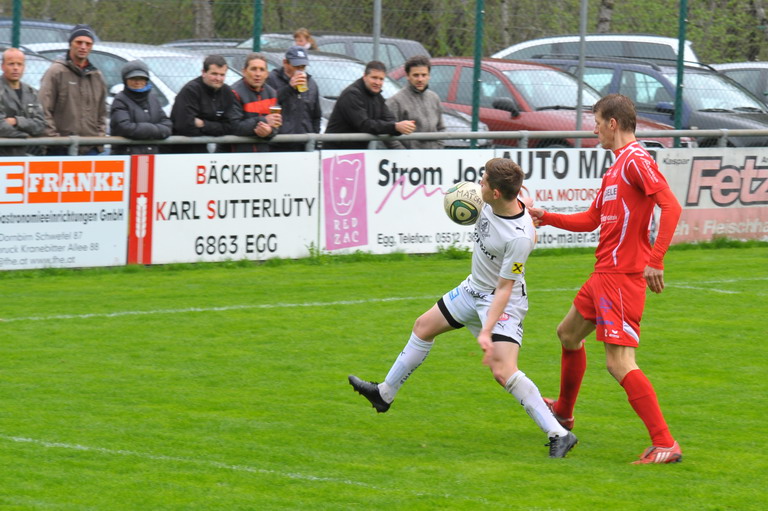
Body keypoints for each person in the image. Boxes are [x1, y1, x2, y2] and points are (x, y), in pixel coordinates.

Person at [348, 158, 578, 458]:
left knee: (503, 371)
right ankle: (384, 394)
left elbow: (505, 288)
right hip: (472, 290)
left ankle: (559, 433)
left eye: (483, 182)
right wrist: (529, 207)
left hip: (502, 302)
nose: (478, 184)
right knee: (423, 327)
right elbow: (523, 200)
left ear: (496, 193)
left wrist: (486, 330)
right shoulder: (499, 200)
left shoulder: (518, 238)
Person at [528, 94, 684, 464]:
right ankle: (563, 413)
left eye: (597, 123)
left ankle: (665, 443)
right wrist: (546, 216)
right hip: (603, 274)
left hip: (622, 277)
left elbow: (671, 206)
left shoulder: (637, 160)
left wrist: (656, 259)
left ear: (613, 123)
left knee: (619, 363)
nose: (594, 130)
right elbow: (591, 220)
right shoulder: (615, 169)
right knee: (568, 334)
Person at [37, 24, 107, 155]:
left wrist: (99, 139)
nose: (83, 47)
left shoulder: (97, 76)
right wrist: (55, 140)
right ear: (70, 44)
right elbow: (43, 109)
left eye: (88, 44)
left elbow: (102, 113)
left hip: (90, 149)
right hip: (61, 149)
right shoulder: (56, 72)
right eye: (79, 42)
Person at [324, 60, 415, 149]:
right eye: (374, 78)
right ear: (364, 76)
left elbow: (389, 119)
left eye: (381, 79)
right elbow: (365, 125)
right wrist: (395, 127)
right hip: (336, 152)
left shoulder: (377, 96)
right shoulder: (352, 94)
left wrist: (400, 127)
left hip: (357, 152)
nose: (377, 82)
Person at [169, 54, 235, 153]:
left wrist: (203, 124)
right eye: (214, 74)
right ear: (204, 72)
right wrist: (216, 127)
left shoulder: (227, 92)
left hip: (209, 153)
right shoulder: (190, 91)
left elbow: (230, 127)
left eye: (222, 75)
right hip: (182, 151)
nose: (218, 78)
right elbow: (185, 127)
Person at [109, 60, 172, 155]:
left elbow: (167, 125)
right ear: (125, 80)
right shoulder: (120, 100)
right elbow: (124, 128)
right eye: (133, 78)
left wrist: (149, 130)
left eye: (142, 78)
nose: (137, 82)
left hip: (151, 155)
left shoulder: (153, 99)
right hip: (127, 156)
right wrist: (154, 130)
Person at [266, 46, 321, 151]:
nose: (300, 70)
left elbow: (316, 115)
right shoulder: (272, 79)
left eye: (303, 66)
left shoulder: (311, 83)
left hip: (304, 145)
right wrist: (289, 88)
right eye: (296, 66)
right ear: (285, 63)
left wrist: (313, 137)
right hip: (278, 144)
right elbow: (267, 105)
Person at [385, 55, 444, 149]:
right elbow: (388, 135)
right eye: (416, 75)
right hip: (408, 157)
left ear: (429, 76)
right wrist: (405, 154)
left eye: (424, 75)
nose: (420, 79)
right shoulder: (395, 102)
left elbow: (441, 128)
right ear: (407, 76)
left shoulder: (434, 98)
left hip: (434, 156)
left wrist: (438, 148)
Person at [229, 52, 281, 152]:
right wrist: (264, 121)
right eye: (253, 69)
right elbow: (234, 126)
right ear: (244, 72)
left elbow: (276, 124)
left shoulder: (272, 93)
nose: (258, 74)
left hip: (263, 155)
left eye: (262, 70)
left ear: (267, 74)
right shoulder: (233, 93)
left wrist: (270, 131)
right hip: (236, 155)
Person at [0, 48, 46, 156]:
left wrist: (17, 121)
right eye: (11, 64)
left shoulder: (32, 92)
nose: (15, 68)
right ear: (2, 66)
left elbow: (40, 125)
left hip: (28, 155)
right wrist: (26, 136)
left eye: (19, 64)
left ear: (24, 67)